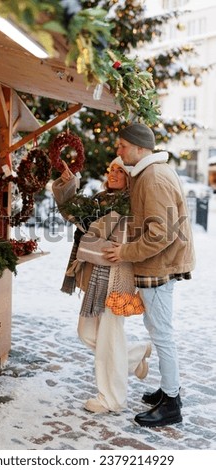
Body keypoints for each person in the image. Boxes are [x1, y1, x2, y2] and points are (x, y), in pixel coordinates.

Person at [103, 123, 195, 427]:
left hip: (160, 266)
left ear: (140, 148)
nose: (119, 152)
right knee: (157, 327)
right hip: (159, 265)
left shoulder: (153, 177)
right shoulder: (147, 173)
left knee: (161, 333)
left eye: (123, 146)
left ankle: (171, 404)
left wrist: (125, 252)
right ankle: (170, 391)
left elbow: (162, 232)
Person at [52, 158, 151, 414]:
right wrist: (68, 183)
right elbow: (73, 212)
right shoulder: (101, 199)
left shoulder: (129, 205)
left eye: (120, 170)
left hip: (115, 279)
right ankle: (136, 353)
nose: (114, 173)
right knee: (88, 334)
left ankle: (111, 399)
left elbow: (111, 248)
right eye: (111, 169)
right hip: (96, 279)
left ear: (130, 176)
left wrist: (88, 243)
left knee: (108, 339)